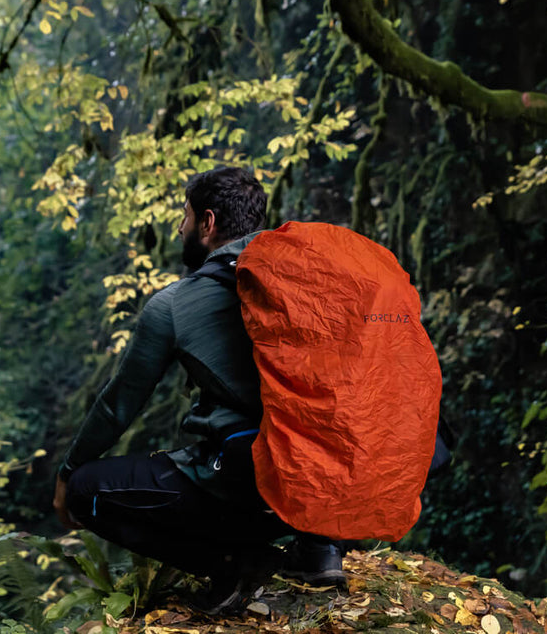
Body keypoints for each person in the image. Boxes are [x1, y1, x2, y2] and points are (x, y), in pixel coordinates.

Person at [51, 167, 343, 611]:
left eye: (185, 216)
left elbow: (118, 405)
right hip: (332, 478)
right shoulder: (315, 281)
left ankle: (233, 565)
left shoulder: (175, 303)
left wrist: (67, 471)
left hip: (251, 485)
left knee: (86, 491)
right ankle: (320, 549)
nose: (179, 227)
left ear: (207, 223)